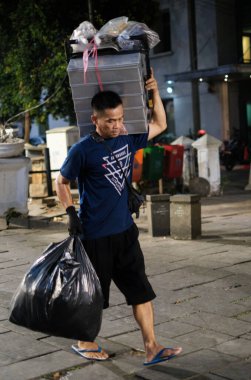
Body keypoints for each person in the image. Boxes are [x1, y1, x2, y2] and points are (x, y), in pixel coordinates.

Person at [55, 70, 182, 366]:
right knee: (95, 296)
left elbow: (160, 123)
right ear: (95, 119)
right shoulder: (82, 150)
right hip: (95, 235)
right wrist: (71, 212)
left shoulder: (127, 139)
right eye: (110, 120)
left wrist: (154, 92)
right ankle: (84, 342)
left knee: (141, 289)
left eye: (120, 118)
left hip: (125, 231)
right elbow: (61, 181)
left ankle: (152, 347)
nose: (116, 125)